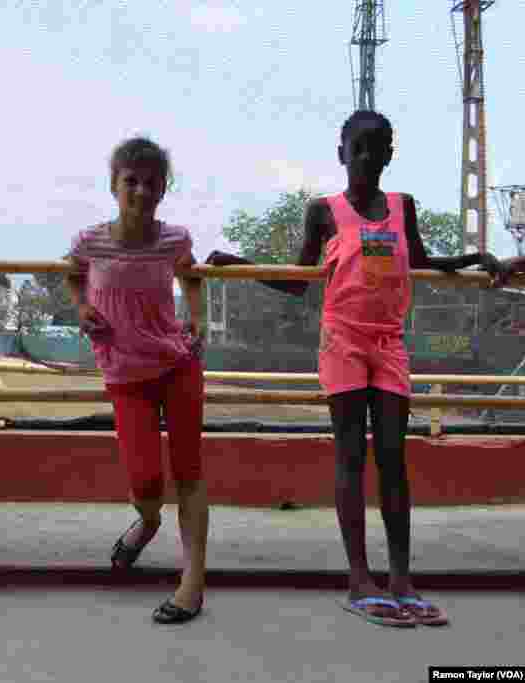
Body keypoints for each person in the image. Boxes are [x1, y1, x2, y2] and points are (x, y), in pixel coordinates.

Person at [207, 111, 504, 627]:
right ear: (341, 152)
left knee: (393, 456)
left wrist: (479, 257)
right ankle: (359, 579)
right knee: (350, 455)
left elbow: (423, 261)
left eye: (378, 148)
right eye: (358, 148)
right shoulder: (323, 211)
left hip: (388, 343)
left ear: (390, 154)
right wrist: (237, 264)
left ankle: (402, 580)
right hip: (342, 340)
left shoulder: (400, 206)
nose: (367, 158)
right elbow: (300, 280)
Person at [65, 137, 207, 624]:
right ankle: (146, 523)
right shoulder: (90, 241)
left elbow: (191, 276)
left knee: (188, 473)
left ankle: (192, 583)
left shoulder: (175, 239)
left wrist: (197, 318)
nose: (142, 191)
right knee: (145, 482)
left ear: (163, 189)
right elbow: (73, 274)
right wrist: (82, 306)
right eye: (132, 181)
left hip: (177, 364)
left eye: (152, 183)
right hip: (125, 374)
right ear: (114, 185)